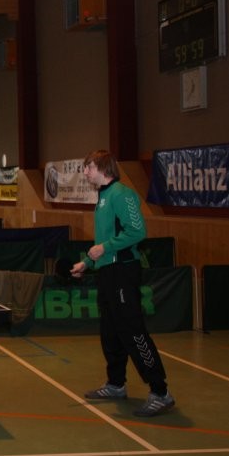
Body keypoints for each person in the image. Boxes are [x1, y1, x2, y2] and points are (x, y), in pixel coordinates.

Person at [71, 149, 175, 417]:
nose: (85, 172)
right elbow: (104, 242)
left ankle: (160, 391)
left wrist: (104, 248)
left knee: (133, 331)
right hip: (107, 273)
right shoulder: (102, 198)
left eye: (88, 167)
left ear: (102, 167)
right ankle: (116, 384)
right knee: (110, 332)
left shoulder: (122, 194)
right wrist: (87, 262)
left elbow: (137, 231)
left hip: (123, 273)